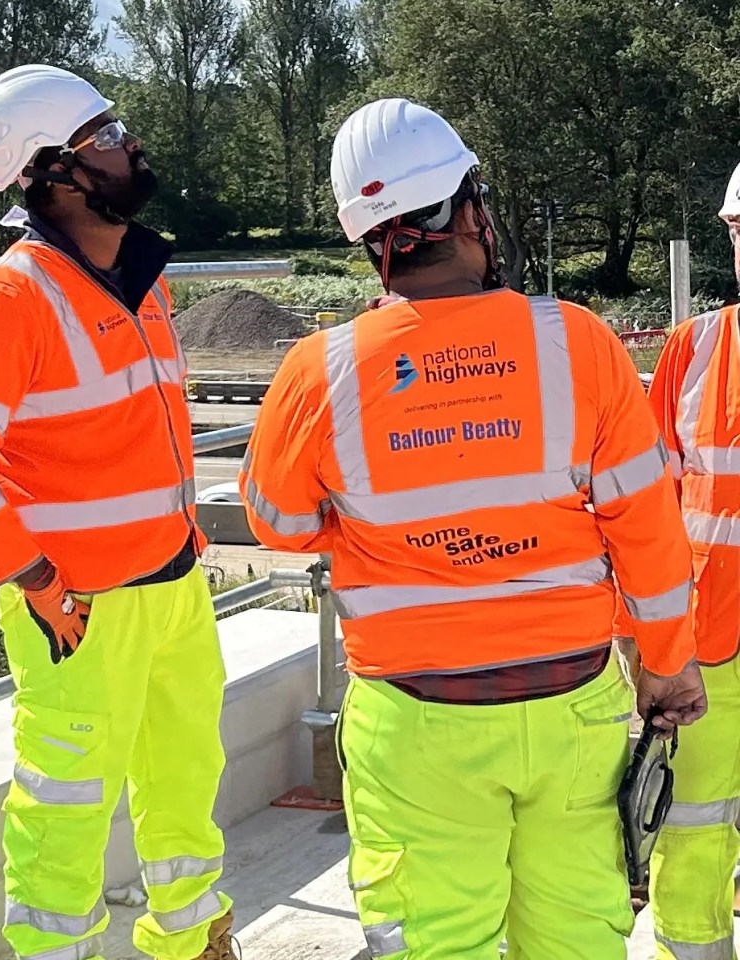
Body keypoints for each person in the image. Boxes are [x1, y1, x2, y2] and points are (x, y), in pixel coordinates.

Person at [239, 96, 708, 959]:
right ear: (467, 212)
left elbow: (283, 526)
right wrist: (669, 668)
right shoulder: (581, 344)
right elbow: (649, 535)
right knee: (576, 941)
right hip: (572, 711)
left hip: (417, 729)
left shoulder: (320, 372)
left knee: (435, 945)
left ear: (372, 239)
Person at [0, 64, 237, 960]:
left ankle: (196, 935)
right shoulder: (6, 300)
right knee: (66, 803)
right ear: (54, 171)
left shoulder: (140, 280)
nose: (130, 148)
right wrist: (36, 578)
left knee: (184, 776)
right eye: (107, 138)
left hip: (171, 585)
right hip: (78, 608)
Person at [614, 160, 740, 960]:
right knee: (691, 838)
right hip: (704, 657)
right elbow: (640, 518)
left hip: (703, 647)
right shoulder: (694, 352)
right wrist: (641, 644)